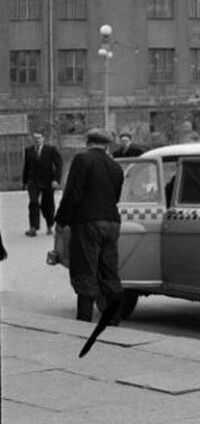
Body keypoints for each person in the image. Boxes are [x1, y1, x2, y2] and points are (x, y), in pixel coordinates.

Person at [53, 129, 124, 323]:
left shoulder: (82, 160)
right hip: (112, 223)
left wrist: (61, 220)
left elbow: (72, 193)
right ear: (106, 145)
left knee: (85, 270)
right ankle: (114, 319)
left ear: (88, 142)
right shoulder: (116, 166)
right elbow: (116, 196)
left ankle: (84, 321)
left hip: (88, 223)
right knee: (110, 271)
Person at [22, 131, 64, 237]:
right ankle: (33, 227)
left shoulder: (51, 150)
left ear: (43, 138)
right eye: (35, 138)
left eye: (39, 138)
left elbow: (59, 165)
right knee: (33, 202)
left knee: (47, 204)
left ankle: (49, 224)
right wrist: (24, 182)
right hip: (33, 181)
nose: (37, 140)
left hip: (48, 181)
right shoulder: (28, 150)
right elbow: (26, 167)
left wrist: (56, 180)